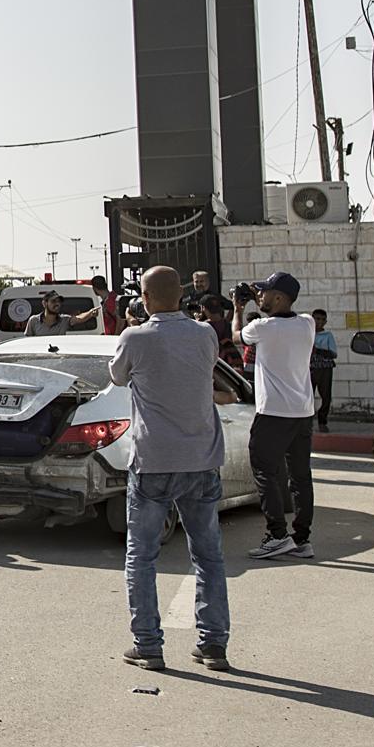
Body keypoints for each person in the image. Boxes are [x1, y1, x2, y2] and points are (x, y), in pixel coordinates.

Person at [112, 266, 235, 672]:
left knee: (142, 556)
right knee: (208, 556)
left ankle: (148, 645)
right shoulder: (204, 334)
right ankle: (213, 645)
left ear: (144, 299)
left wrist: (135, 328)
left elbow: (118, 376)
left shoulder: (134, 337)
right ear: (182, 295)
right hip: (201, 458)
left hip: (153, 461)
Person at [236, 272, 317, 560]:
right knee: (300, 477)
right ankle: (302, 539)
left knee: (264, 471)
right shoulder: (307, 323)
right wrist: (254, 301)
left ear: (280, 298)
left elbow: (236, 336)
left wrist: (238, 309)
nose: (260, 297)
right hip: (303, 413)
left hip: (272, 414)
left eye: (266, 293)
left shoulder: (263, 327)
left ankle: (277, 534)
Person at [24, 289, 99, 337]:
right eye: (53, 301)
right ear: (44, 303)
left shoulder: (64, 320)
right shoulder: (33, 320)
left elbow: (79, 318)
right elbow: (27, 341)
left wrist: (90, 313)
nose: (57, 304)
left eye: (59, 301)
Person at [310, 309, 338, 430]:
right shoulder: (307, 334)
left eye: (322, 320)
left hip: (324, 369)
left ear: (325, 322)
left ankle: (322, 421)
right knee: (308, 396)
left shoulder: (328, 336)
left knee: (326, 396)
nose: (319, 322)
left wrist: (318, 350)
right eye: (317, 319)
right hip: (309, 369)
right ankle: (308, 421)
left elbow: (333, 354)